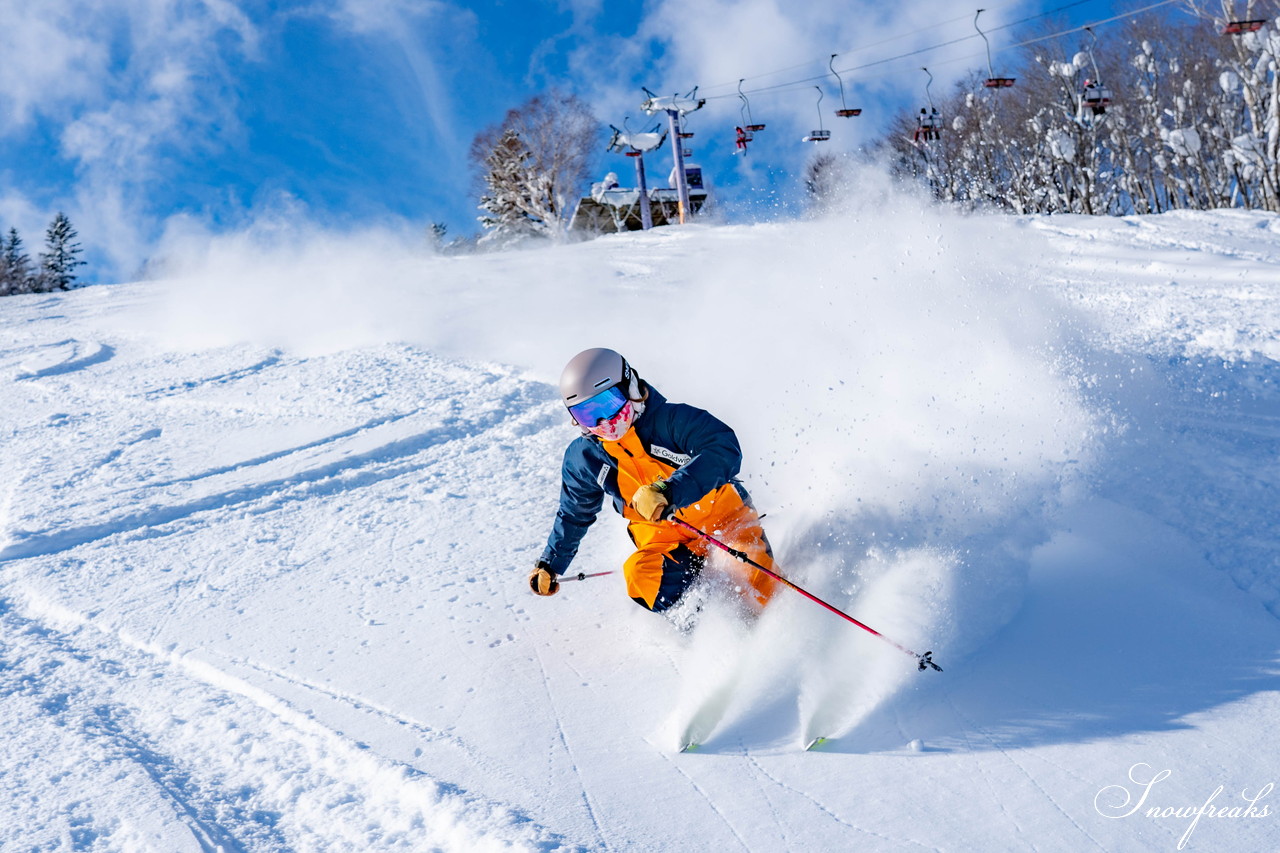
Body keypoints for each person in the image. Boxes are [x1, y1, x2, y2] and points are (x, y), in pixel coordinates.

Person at [528, 348, 777, 615]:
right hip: (665, 543)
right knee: (638, 574)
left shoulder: (671, 422)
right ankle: (708, 626)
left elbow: (723, 448)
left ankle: (778, 628)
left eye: (608, 404)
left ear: (629, 386)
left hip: (727, 524)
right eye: (587, 415)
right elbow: (574, 514)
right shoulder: (584, 458)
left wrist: (670, 490)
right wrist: (550, 564)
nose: (604, 422)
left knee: (749, 572)